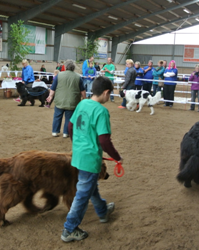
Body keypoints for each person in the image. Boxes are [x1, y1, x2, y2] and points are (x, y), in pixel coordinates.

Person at [61, 76, 122, 242]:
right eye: (110, 94)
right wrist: (117, 157)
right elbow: (104, 140)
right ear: (106, 92)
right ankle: (69, 229)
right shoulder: (101, 111)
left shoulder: (82, 103)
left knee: (90, 186)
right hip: (90, 159)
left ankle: (102, 211)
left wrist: (77, 144)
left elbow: (70, 126)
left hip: (79, 156)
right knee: (82, 193)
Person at [46, 60, 86, 138]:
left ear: (65, 67)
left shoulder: (59, 75)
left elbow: (53, 88)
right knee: (69, 117)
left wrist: (50, 96)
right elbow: (83, 91)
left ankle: (55, 131)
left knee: (57, 116)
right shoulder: (78, 77)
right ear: (73, 67)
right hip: (72, 101)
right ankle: (66, 133)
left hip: (59, 100)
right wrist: (84, 98)